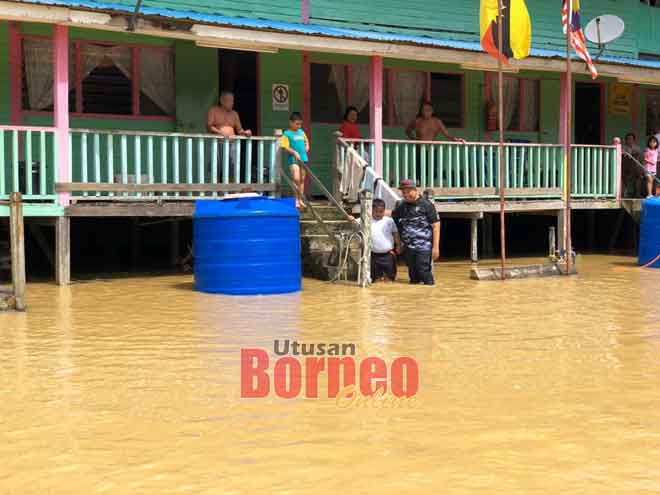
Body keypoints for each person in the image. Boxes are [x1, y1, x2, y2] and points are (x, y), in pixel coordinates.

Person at [392, 180, 440, 286]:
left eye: (408, 191)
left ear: (415, 190)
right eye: (403, 192)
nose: (406, 194)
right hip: (408, 248)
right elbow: (393, 218)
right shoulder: (401, 206)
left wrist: (435, 247)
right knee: (413, 277)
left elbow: (436, 226)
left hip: (424, 247)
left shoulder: (427, 205)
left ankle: (431, 295)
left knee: (424, 273)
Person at [280, 112, 310, 209]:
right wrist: (293, 152)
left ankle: (300, 200)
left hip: (303, 158)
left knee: (302, 180)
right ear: (291, 123)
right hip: (293, 159)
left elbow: (306, 141)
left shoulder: (302, 132)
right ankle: (295, 199)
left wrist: (307, 146)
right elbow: (284, 147)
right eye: (297, 124)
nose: (299, 126)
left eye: (300, 124)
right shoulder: (286, 134)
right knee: (296, 178)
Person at [369, 198, 400, 283]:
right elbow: (354, 221)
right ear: (371, 210)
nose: (379, 214)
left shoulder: (389, 221)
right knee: (375, 280)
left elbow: (395, 233)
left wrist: (398, 245)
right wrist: (351, 219)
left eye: (381, 212)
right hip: (373, 255)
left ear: (384, 211)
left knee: (389, 279)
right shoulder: (367, 220)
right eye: (376, 212)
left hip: (388, 255)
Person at [621, 132, 642, 198]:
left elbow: (640, 158)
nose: (629, 140)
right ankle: (625, 193)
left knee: (639, 176)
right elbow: (622, 155)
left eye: (631, 139)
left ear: (634, 140)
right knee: (624, 177)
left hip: (635, 167)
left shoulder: (637, 147)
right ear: (626, 140)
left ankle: (637, 193)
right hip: (626, 168)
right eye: (628, 139)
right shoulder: (623, 147)